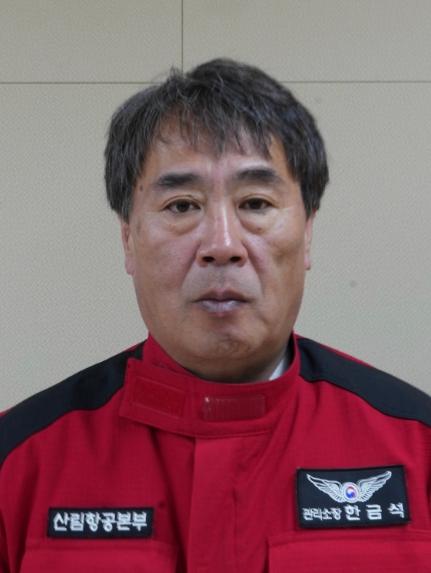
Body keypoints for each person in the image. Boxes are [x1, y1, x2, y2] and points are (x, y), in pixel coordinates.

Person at [1, 59, 430, 572]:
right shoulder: (19, 460)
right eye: (182, 206)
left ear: (307, 232)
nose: (222, 245)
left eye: (256, 203)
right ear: (128, 239)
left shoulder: (418, 447)